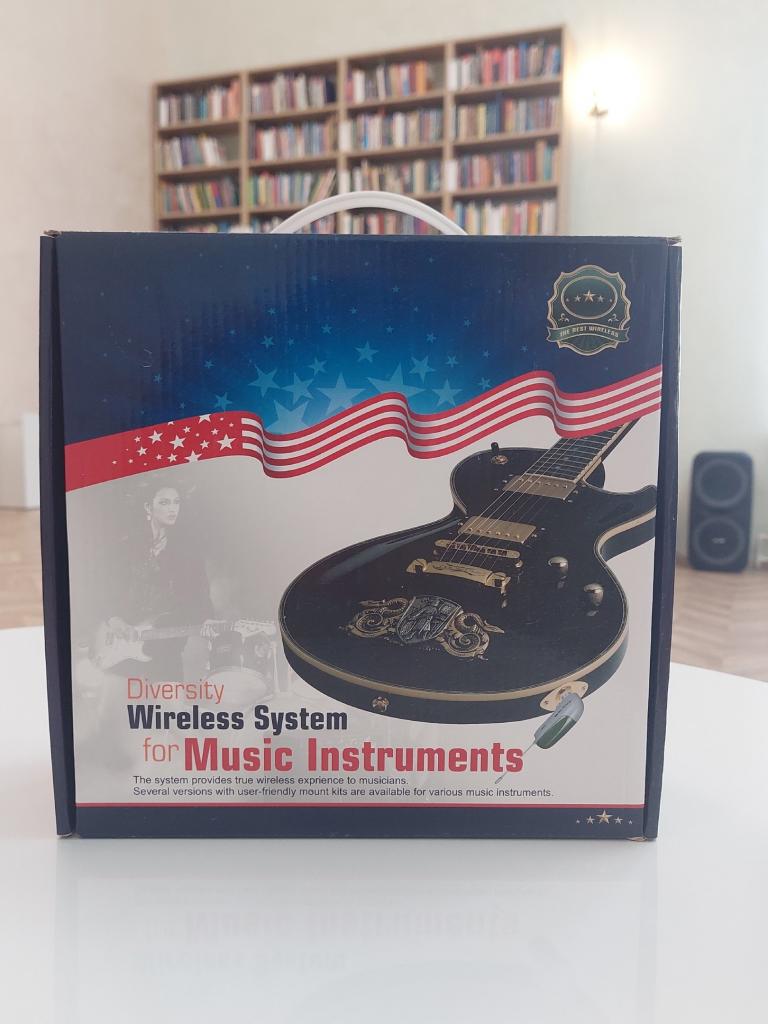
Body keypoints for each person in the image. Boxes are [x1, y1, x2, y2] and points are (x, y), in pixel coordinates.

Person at [105, 479, 213, 681]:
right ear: (148, 507)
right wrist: (115, 620)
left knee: (170, 698)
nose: (173, 508)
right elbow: (105, 590)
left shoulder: (188, 552)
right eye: (164, 502)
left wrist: (208, 620)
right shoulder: (126, 548)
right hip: (122, 649)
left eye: (176, 502)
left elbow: (201, 595)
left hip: (166, 650)